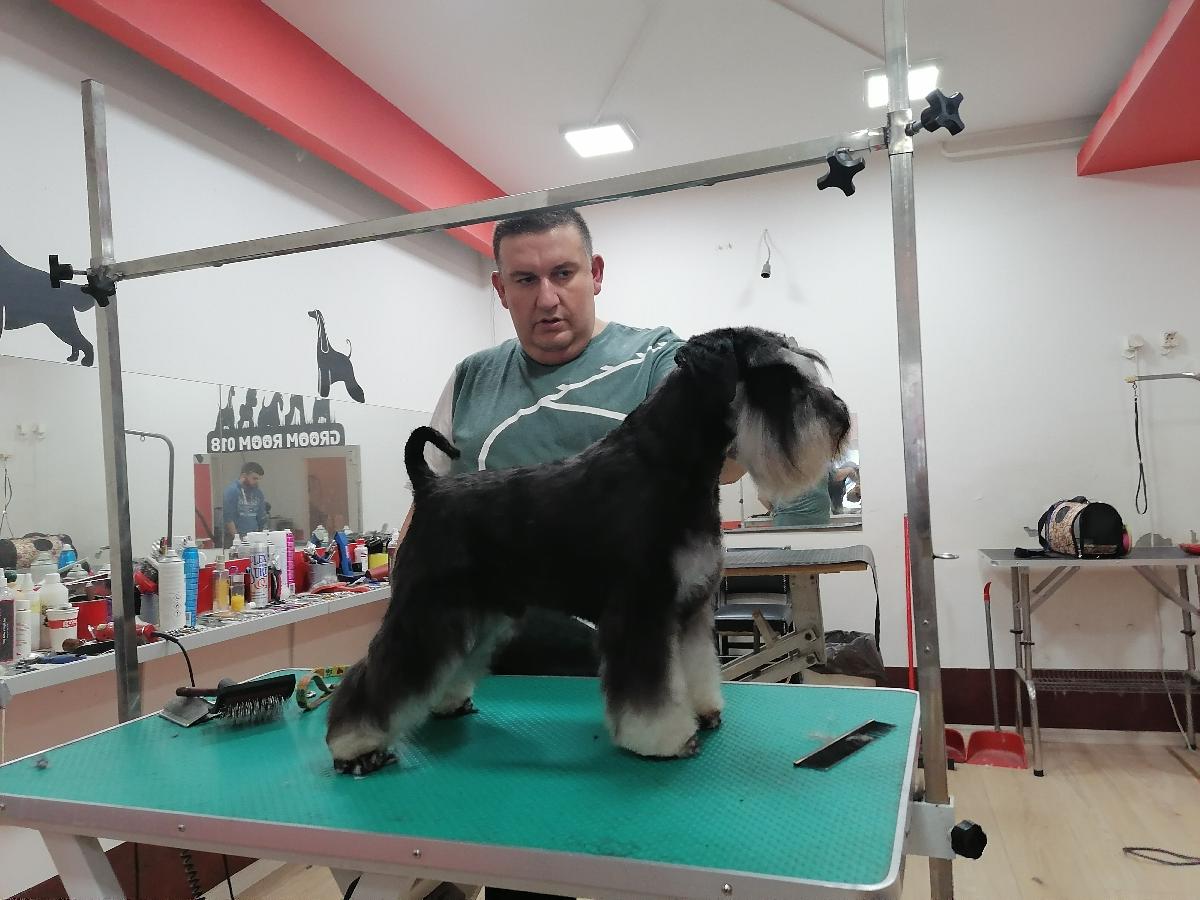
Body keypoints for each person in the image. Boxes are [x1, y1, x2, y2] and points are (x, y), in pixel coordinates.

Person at [401, 207, 741, 900]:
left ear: (596, 273)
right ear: (499, 288)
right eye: (525, 280)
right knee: (521, 873)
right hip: (502, 681)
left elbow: (727, 462)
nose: (547, 297)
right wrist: (408, 611)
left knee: (653, 864)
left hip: (625, 657)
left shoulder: (659, 359)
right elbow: (429, 505)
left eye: (563, 273)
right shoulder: (471, 378)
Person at [222, 461, 269, 546]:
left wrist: (263, 538)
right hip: (235, 539)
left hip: (254, 539)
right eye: (254, 478)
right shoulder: (232, 491)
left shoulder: (258, 493)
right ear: (244, 476)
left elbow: (261, 518)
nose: (257, 481)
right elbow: (228, 519)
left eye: (258, 479)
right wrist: (238, 541)